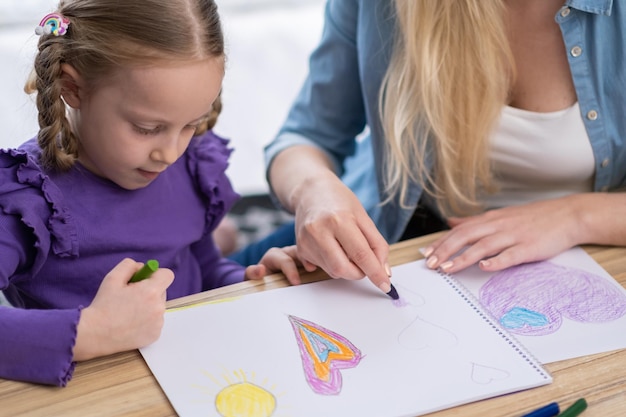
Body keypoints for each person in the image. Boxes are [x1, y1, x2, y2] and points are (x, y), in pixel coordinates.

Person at [0, 0, 304, 387]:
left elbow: (199, 267)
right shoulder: (26, 198)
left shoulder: (189, 166)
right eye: (146, 128)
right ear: (70, 87)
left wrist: (247, 282)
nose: (170, 153)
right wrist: (94, 330)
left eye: (191, 124)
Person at [265, 1, 626, 293]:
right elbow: (304, 137)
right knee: (230, 279)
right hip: (395, 237)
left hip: (596, 254)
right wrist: (314, 190)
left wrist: (577, 216)